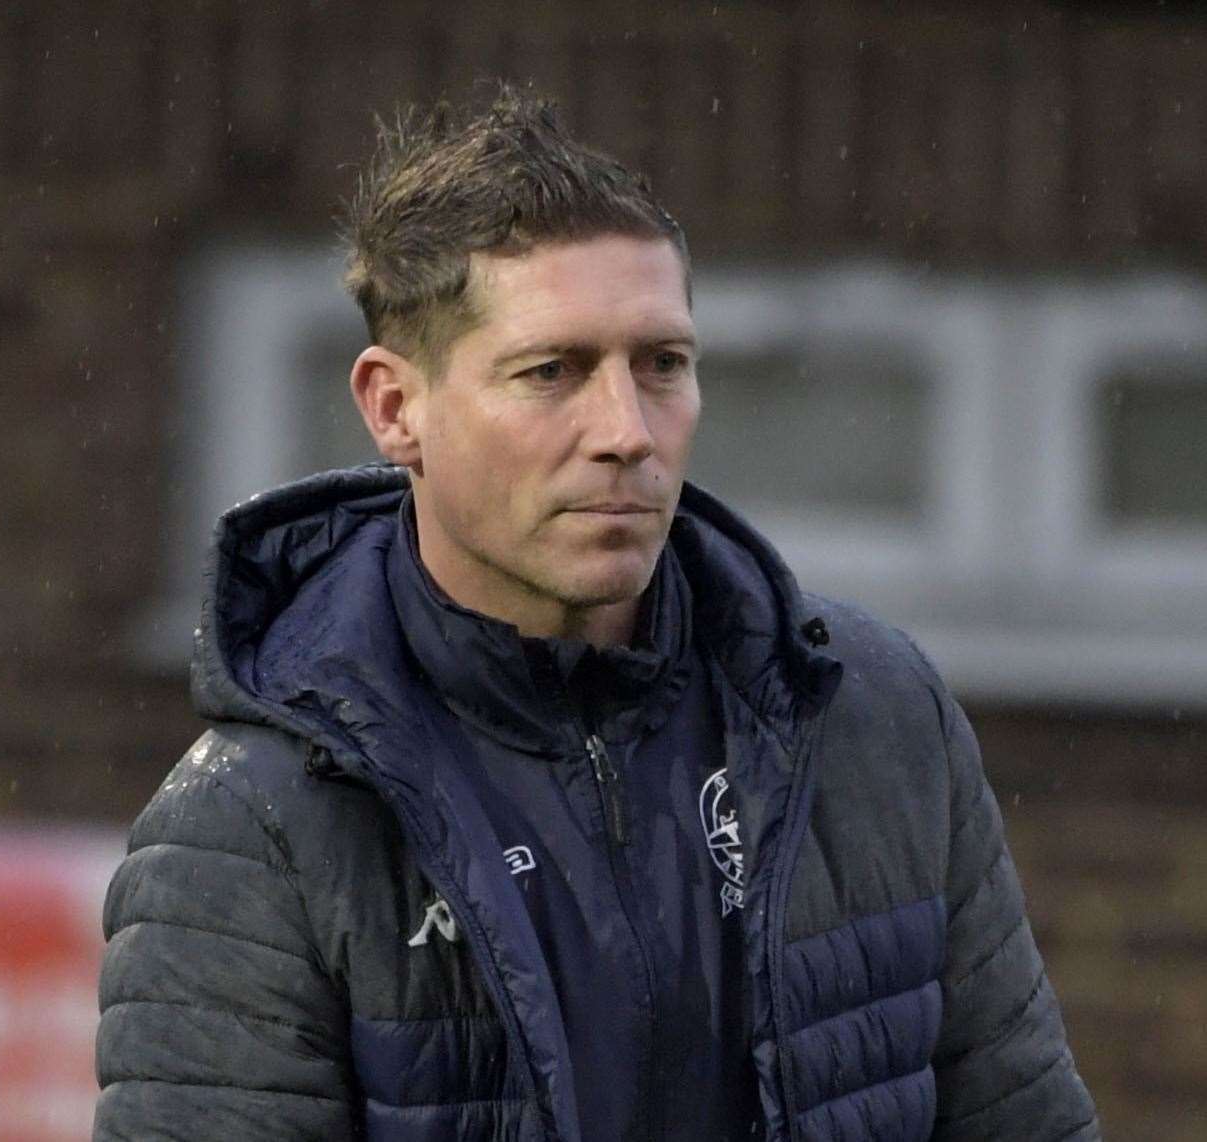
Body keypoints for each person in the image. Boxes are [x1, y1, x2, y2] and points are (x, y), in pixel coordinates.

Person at [94, 88, 1099, 1141]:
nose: (626, 429)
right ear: (396, 407)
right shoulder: (253, 823)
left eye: (661, 364)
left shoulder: (871, 715)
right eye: (551, 372)